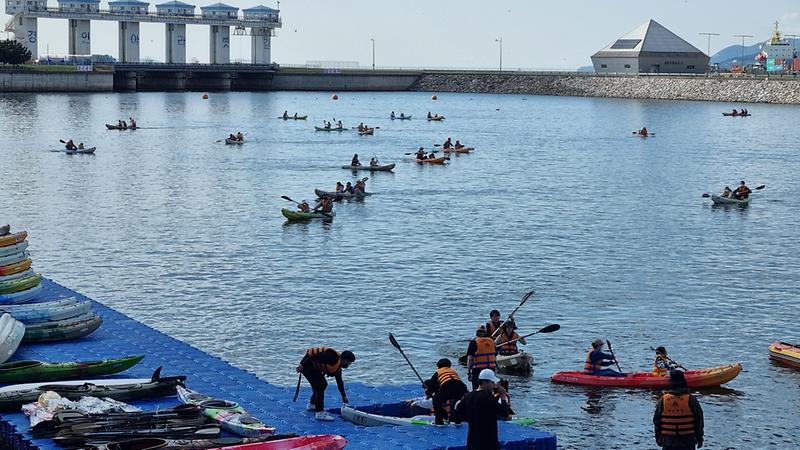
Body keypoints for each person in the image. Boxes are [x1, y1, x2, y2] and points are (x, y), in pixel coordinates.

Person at [453, 369, 509, 450]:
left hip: (472, 440)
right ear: (485, 382)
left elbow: (458, 410)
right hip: (488, 441)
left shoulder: (469, 396)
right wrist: (503, 397)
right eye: (492, 382)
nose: (494, 385)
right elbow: (504, 413)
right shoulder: (488, 398)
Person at [296, 347, 355, 421]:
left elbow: (339, 382)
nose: (348, 365)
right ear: (345, 360)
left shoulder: (338, 367)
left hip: (313, 368)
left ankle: (312, 404)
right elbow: (314, 355)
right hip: (307, 366)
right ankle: (319, 413)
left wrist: (344, 396)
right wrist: (302, 364)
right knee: (320, 385)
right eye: (349, 363)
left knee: (322, 385)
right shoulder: (332, 358)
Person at [653, 370, 704, 450]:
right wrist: (699, 437)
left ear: (671, 382)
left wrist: (658, 438)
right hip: (688, 442)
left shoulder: (663, 400)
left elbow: (657, 421)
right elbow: (699, 420)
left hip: (668, 442)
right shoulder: (691, 399)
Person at [424, 358, 468, 425]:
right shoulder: (453, 371)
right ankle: (455, 420)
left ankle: (440, 421)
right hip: (461, 387)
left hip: (447, 385)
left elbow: (431, 385)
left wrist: (428, 394)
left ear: (438, 366)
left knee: (436, 400)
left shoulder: (438, 371)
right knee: (454, 403)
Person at [466, 325, 498, 390]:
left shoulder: (474, 342)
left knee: (477, 389)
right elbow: (495, 355)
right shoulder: (492, 342)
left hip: (478, 370)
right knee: (490, 389)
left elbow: (470, 359)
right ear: (486, 333)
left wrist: (469, 372)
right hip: (491, 369)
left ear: (477, 333)